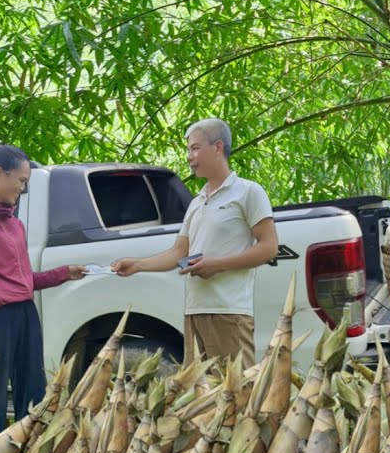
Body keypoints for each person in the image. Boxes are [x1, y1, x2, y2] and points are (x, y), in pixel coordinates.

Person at [111, 118, 278, 366]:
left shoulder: (248, 192)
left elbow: (269, 247)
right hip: (195, 312)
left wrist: (218, 264)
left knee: (236, 395)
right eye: (188, 150)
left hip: (229, 312)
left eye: (195, 148)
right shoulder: (197, 202)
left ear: (218, 147)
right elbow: (179, 252)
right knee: (199, 397)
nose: (189, 156)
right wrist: (138, 265)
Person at [0, 140, 87, 443]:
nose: (23, 188)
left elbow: (23, 280)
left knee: (33, 393)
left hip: (25, 315)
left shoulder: (14, 224)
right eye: (21, 180)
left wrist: (63, 274)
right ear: (0, 173)